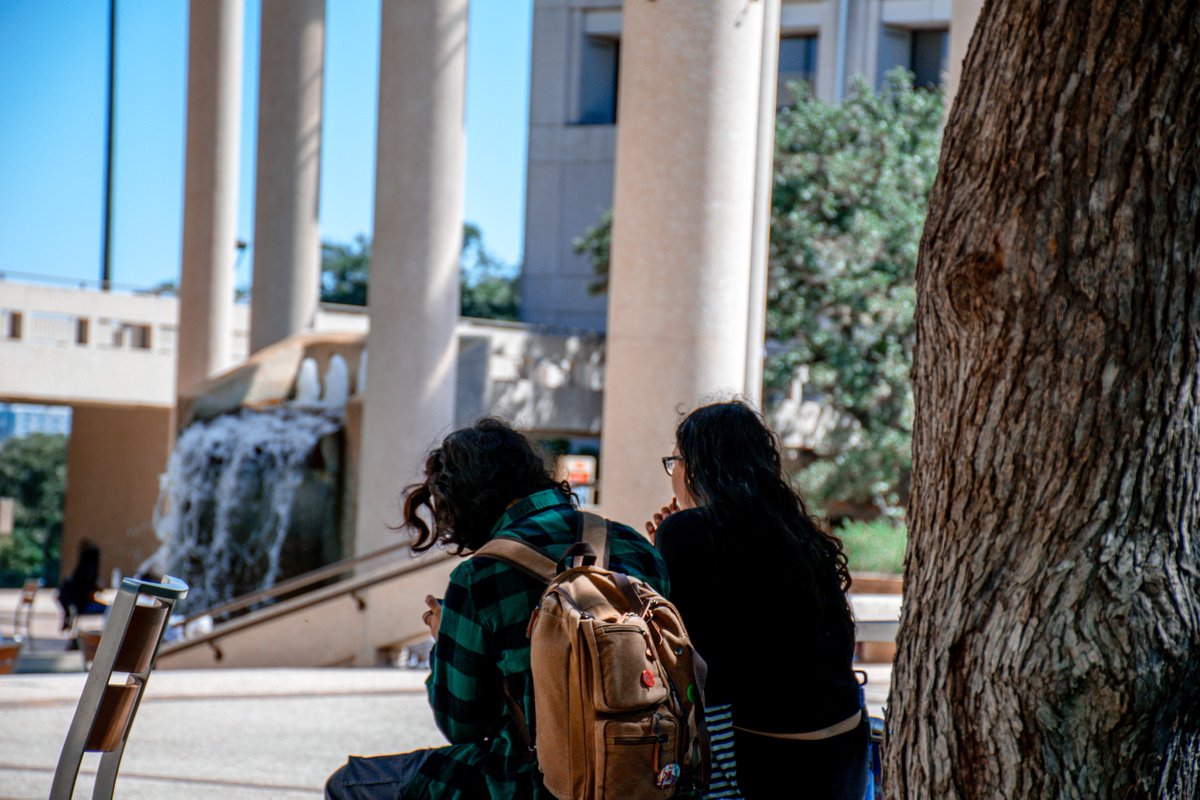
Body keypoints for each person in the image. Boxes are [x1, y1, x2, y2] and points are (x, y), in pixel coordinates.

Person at [326, 417, 670, 799]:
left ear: (464, 499)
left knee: (352, 784)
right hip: (650, 772)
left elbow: (462, 726)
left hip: (533, 782)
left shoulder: (479, 575)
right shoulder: (634, 545)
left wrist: (445, 640)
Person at [646, 401, 867, 799]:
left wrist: (664, 549)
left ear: (695, 466)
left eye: (674, 461)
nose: (673, 474)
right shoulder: (799, 533)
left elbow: (679, 648)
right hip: (845, 742)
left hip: (764, 750)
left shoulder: (686, 530)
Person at [57, 540, 103, 633]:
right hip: (82, 606)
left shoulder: (79, 571)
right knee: (110, 609)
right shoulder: (89, 572)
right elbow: (87, 594)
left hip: (76, 605)